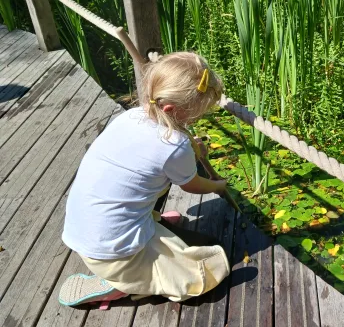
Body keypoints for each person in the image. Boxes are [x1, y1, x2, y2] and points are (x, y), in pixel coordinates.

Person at [59, 52, 230, 307]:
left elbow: (144, 162)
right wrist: (218, 185)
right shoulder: (175, 146)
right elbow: (192, 184)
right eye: (195, 115)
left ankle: (151, 223)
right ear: (171, 109)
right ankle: (119, 285)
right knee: (201, 273)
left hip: (85, 231)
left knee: (145, 184)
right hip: (115, 252)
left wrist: (190, 148)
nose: (197, 120)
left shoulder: (132, 116)